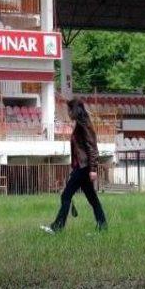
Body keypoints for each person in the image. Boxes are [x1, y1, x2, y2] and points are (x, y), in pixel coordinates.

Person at [42, 98, 108, 234]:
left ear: (75, 110)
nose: (68, 113)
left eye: (69, 110)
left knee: (66, 196)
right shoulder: (80, 124)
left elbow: (92, 148)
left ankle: (57, 228)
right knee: (92, 198)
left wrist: (93, 169)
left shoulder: (84, 126)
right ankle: (103, 226)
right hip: (82, 167)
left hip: (84, 168)